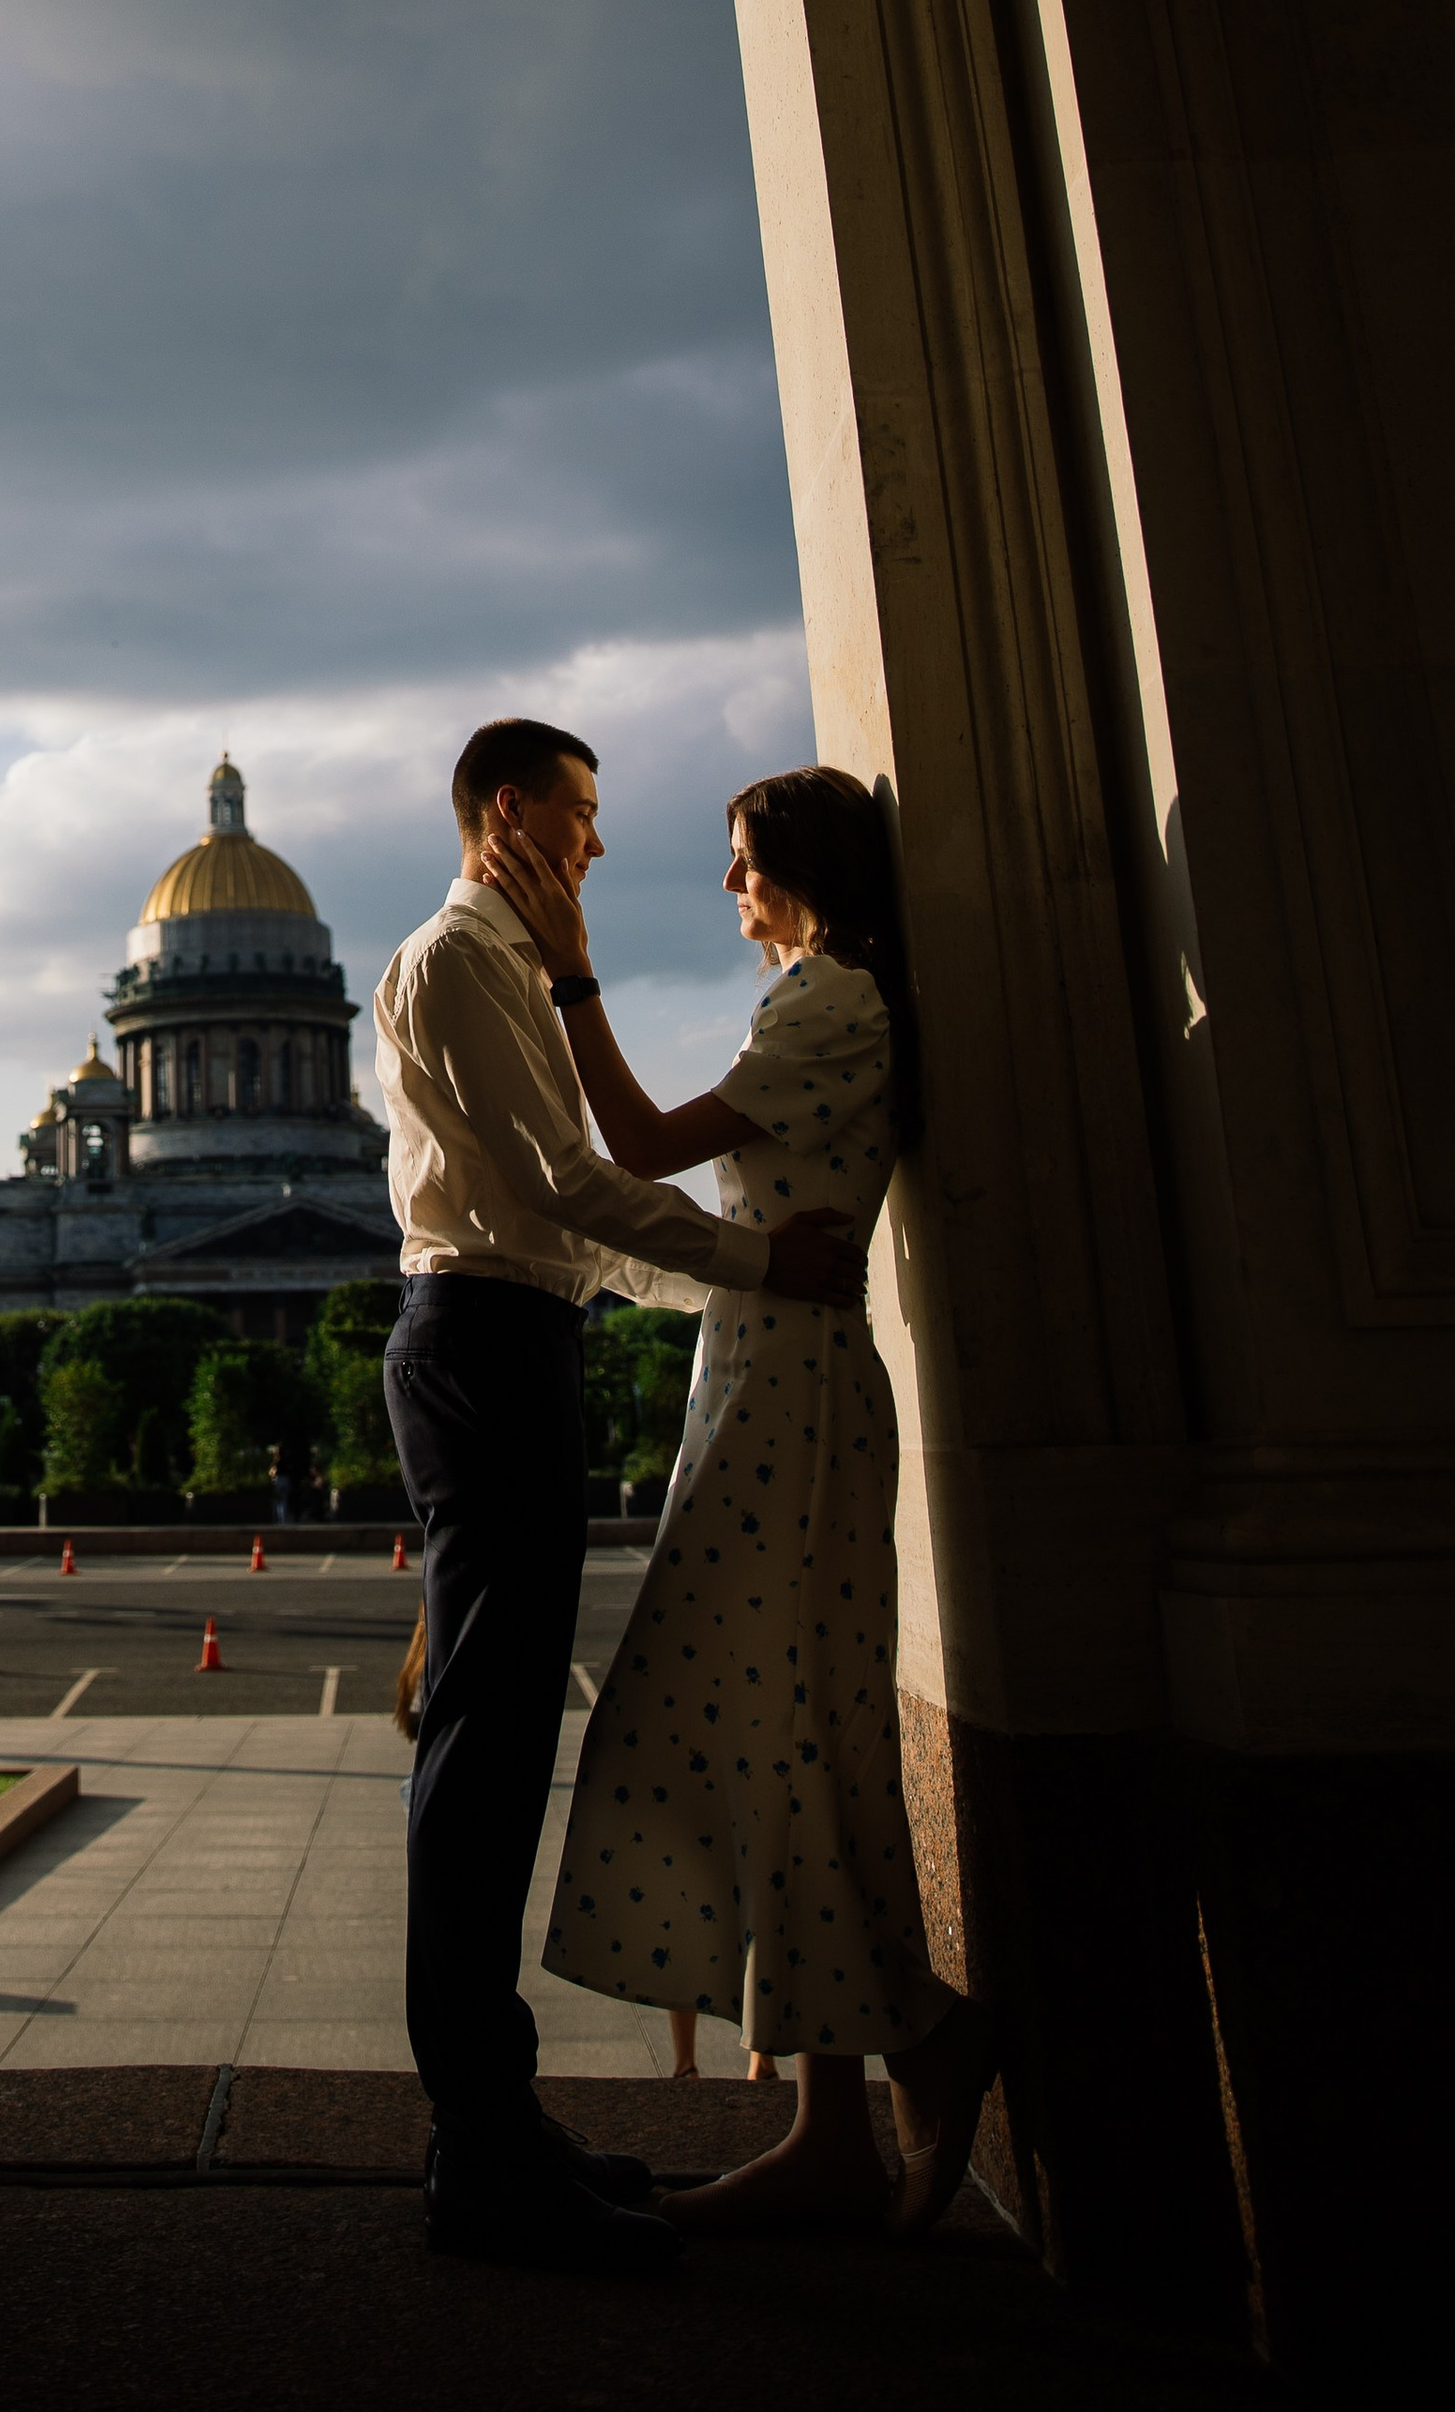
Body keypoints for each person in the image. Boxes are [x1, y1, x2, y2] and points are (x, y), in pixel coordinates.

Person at [375, 718, 869, 2281]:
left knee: (504, 1734)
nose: (596, 842)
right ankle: (481, 2146)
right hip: (483, 1343)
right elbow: (563, 1189)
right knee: (484, 1740)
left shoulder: (506, 967)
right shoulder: (464, 959)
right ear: (511, 811)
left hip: (517, 1332)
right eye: (581, 813)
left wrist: (713, 1298)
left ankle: (497, 2126)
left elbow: (577, 1233)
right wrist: (756, 1262)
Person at [485, 759, 999, 2238]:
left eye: (742, 859)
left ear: (809, 869)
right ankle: (841, 2114)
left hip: (791, 1395)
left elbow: (641, 1151)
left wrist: (576, 978)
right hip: (768, 1375)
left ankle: (907, 2050)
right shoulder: (813, 1000)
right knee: (775, 1732)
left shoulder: (829, 1000)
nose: (725, 886)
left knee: (746, 1719)